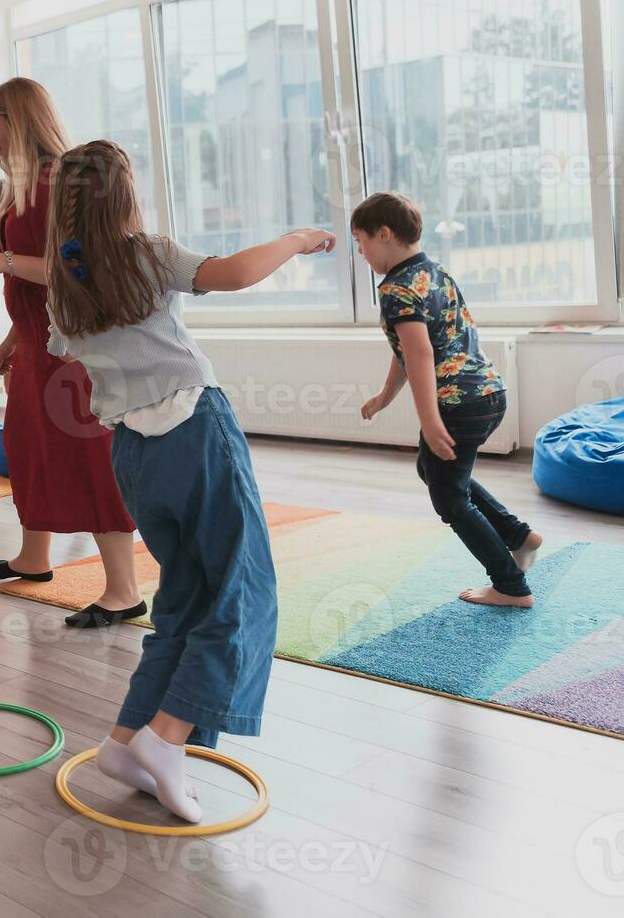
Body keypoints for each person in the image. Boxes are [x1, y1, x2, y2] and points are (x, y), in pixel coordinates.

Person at [44, 139, 335, 822]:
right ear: (126, 197)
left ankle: (126, 742)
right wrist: (296, 238)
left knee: (183, 597)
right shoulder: (145, 254)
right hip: (193, 433)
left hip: (134, 460)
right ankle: (166, 737)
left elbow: (70, 343)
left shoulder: (63, 283)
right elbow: (231, 274)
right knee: (243, 592)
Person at [0, 77, 141, 629]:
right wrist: (13, 338)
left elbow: (75, 270)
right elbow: (37, 288)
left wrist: (3, 263)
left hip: (72, 352)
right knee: (29, 447)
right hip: (39, 343)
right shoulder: (22, 186)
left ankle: (123, 590)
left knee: (88, 458)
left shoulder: (55, 183)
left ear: (18, 122)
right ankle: (34, 558)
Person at [354, 191, 543, 608]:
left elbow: (420, 355)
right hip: (488, 393)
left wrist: (431, 419)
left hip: (459, 404)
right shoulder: (433, 272)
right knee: (435, 470)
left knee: (449, 497)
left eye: (361, 241)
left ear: (384, 234)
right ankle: (518, 536)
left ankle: (512, 586)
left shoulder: (395, 289)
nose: (362, 253)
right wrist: (386, 396)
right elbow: (409, 350)